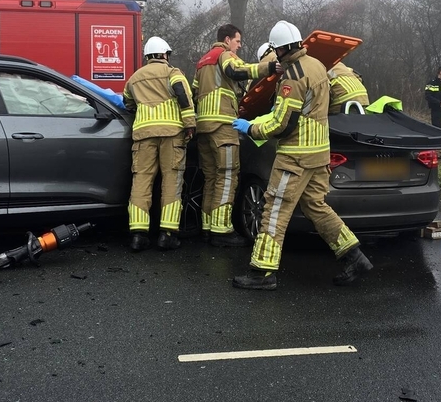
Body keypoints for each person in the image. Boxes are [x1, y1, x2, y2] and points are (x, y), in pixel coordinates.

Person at [231, 20, 372, 290]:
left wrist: (252, 128)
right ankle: (355, 257)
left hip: (295, 156)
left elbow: (282, 123)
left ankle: (262, 272)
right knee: (316, 207)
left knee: (274, 210)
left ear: (279, 49)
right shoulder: (317, 65)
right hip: (319, 154)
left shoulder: (292, 77)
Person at [194, 24, 278, 246]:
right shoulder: (225, 54)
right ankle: (221, 231)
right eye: (238, 41)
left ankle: (207, 227)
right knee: (228, 176)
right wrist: (270, 68)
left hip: (203, 127)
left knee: (211, 178)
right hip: (223, 126)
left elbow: (195, 92)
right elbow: (236, 71)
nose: (239, 46)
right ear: (228, 39)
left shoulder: (202, 62)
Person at [122, 36, 197, 251]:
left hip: (143, 136)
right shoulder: (173, 73)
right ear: (165, 55)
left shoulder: (134, 78)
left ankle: (138, 235)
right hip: (171, 134)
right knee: (171, 180)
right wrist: (190, 124)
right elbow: (183, 95)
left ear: (147, 56)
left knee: (141, 181)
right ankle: (167, 234)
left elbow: (128, 103)